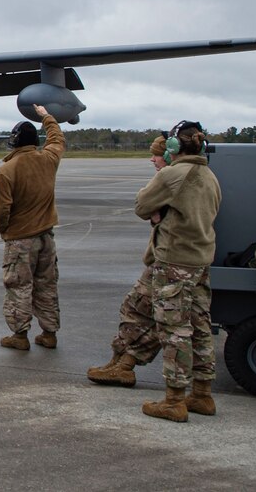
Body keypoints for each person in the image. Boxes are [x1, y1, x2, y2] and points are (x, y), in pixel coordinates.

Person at [134, 121, 221, 422]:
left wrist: (161, 213)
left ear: (173, 147)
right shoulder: (210, 176)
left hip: (174, 263)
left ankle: (174, 399)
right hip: (201, 262)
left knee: (173, 330)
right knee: (200, 328)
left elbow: (142, 205)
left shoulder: (172, 174)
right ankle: (203, 394)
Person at [86, 135, 169, 386]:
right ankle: (121, 360)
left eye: (156, 154)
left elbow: (142, 205)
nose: (151, 158)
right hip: (168, 259)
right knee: (136, 309)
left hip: (169, 261)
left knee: (139, 310)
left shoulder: (171, 178)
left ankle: (125, 364)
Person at [0, 103, 66, 351]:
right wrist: (46, 117)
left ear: (14, 142)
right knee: (47, 284)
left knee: (18, 286)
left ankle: (20, 335)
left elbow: (1, 210)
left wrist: (4, 231)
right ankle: (49, 333)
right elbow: (57, 138)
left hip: (20, 239)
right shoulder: (49, 159)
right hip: (47, 237)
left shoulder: (7, 170)